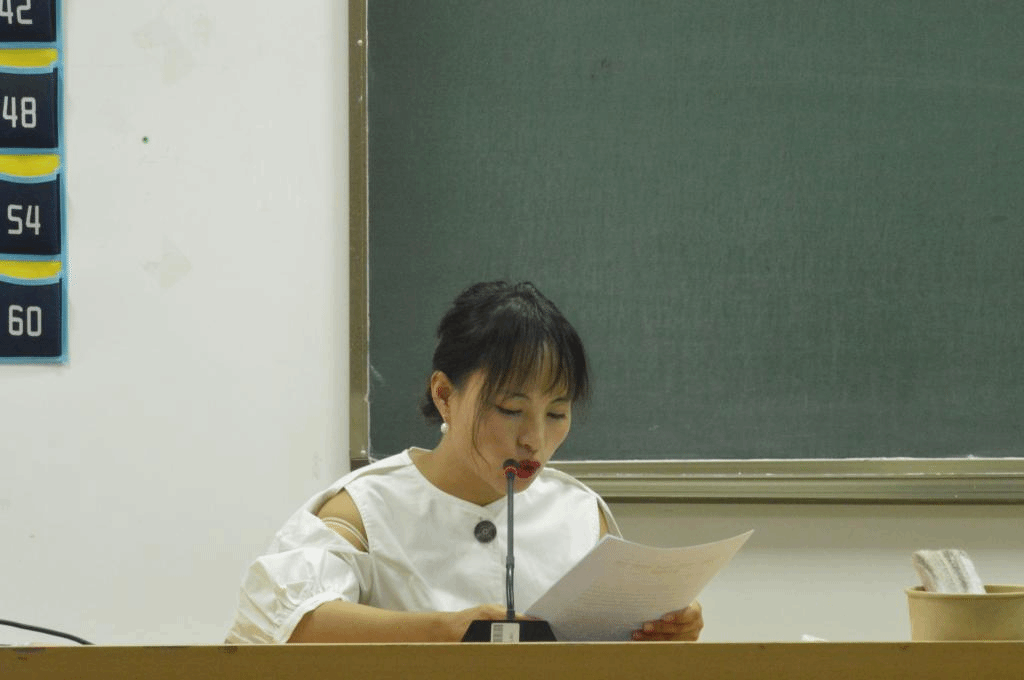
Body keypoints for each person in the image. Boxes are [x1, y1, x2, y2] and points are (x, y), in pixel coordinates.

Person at [226, 281, 703, 643]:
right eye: (510, 409)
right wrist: (443, 631)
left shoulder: (579, 515)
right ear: (444, 395)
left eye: (557, 413)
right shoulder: (365, 510)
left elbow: (612, 649)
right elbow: (277, 622)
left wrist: (662, 631)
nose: (534, 440)